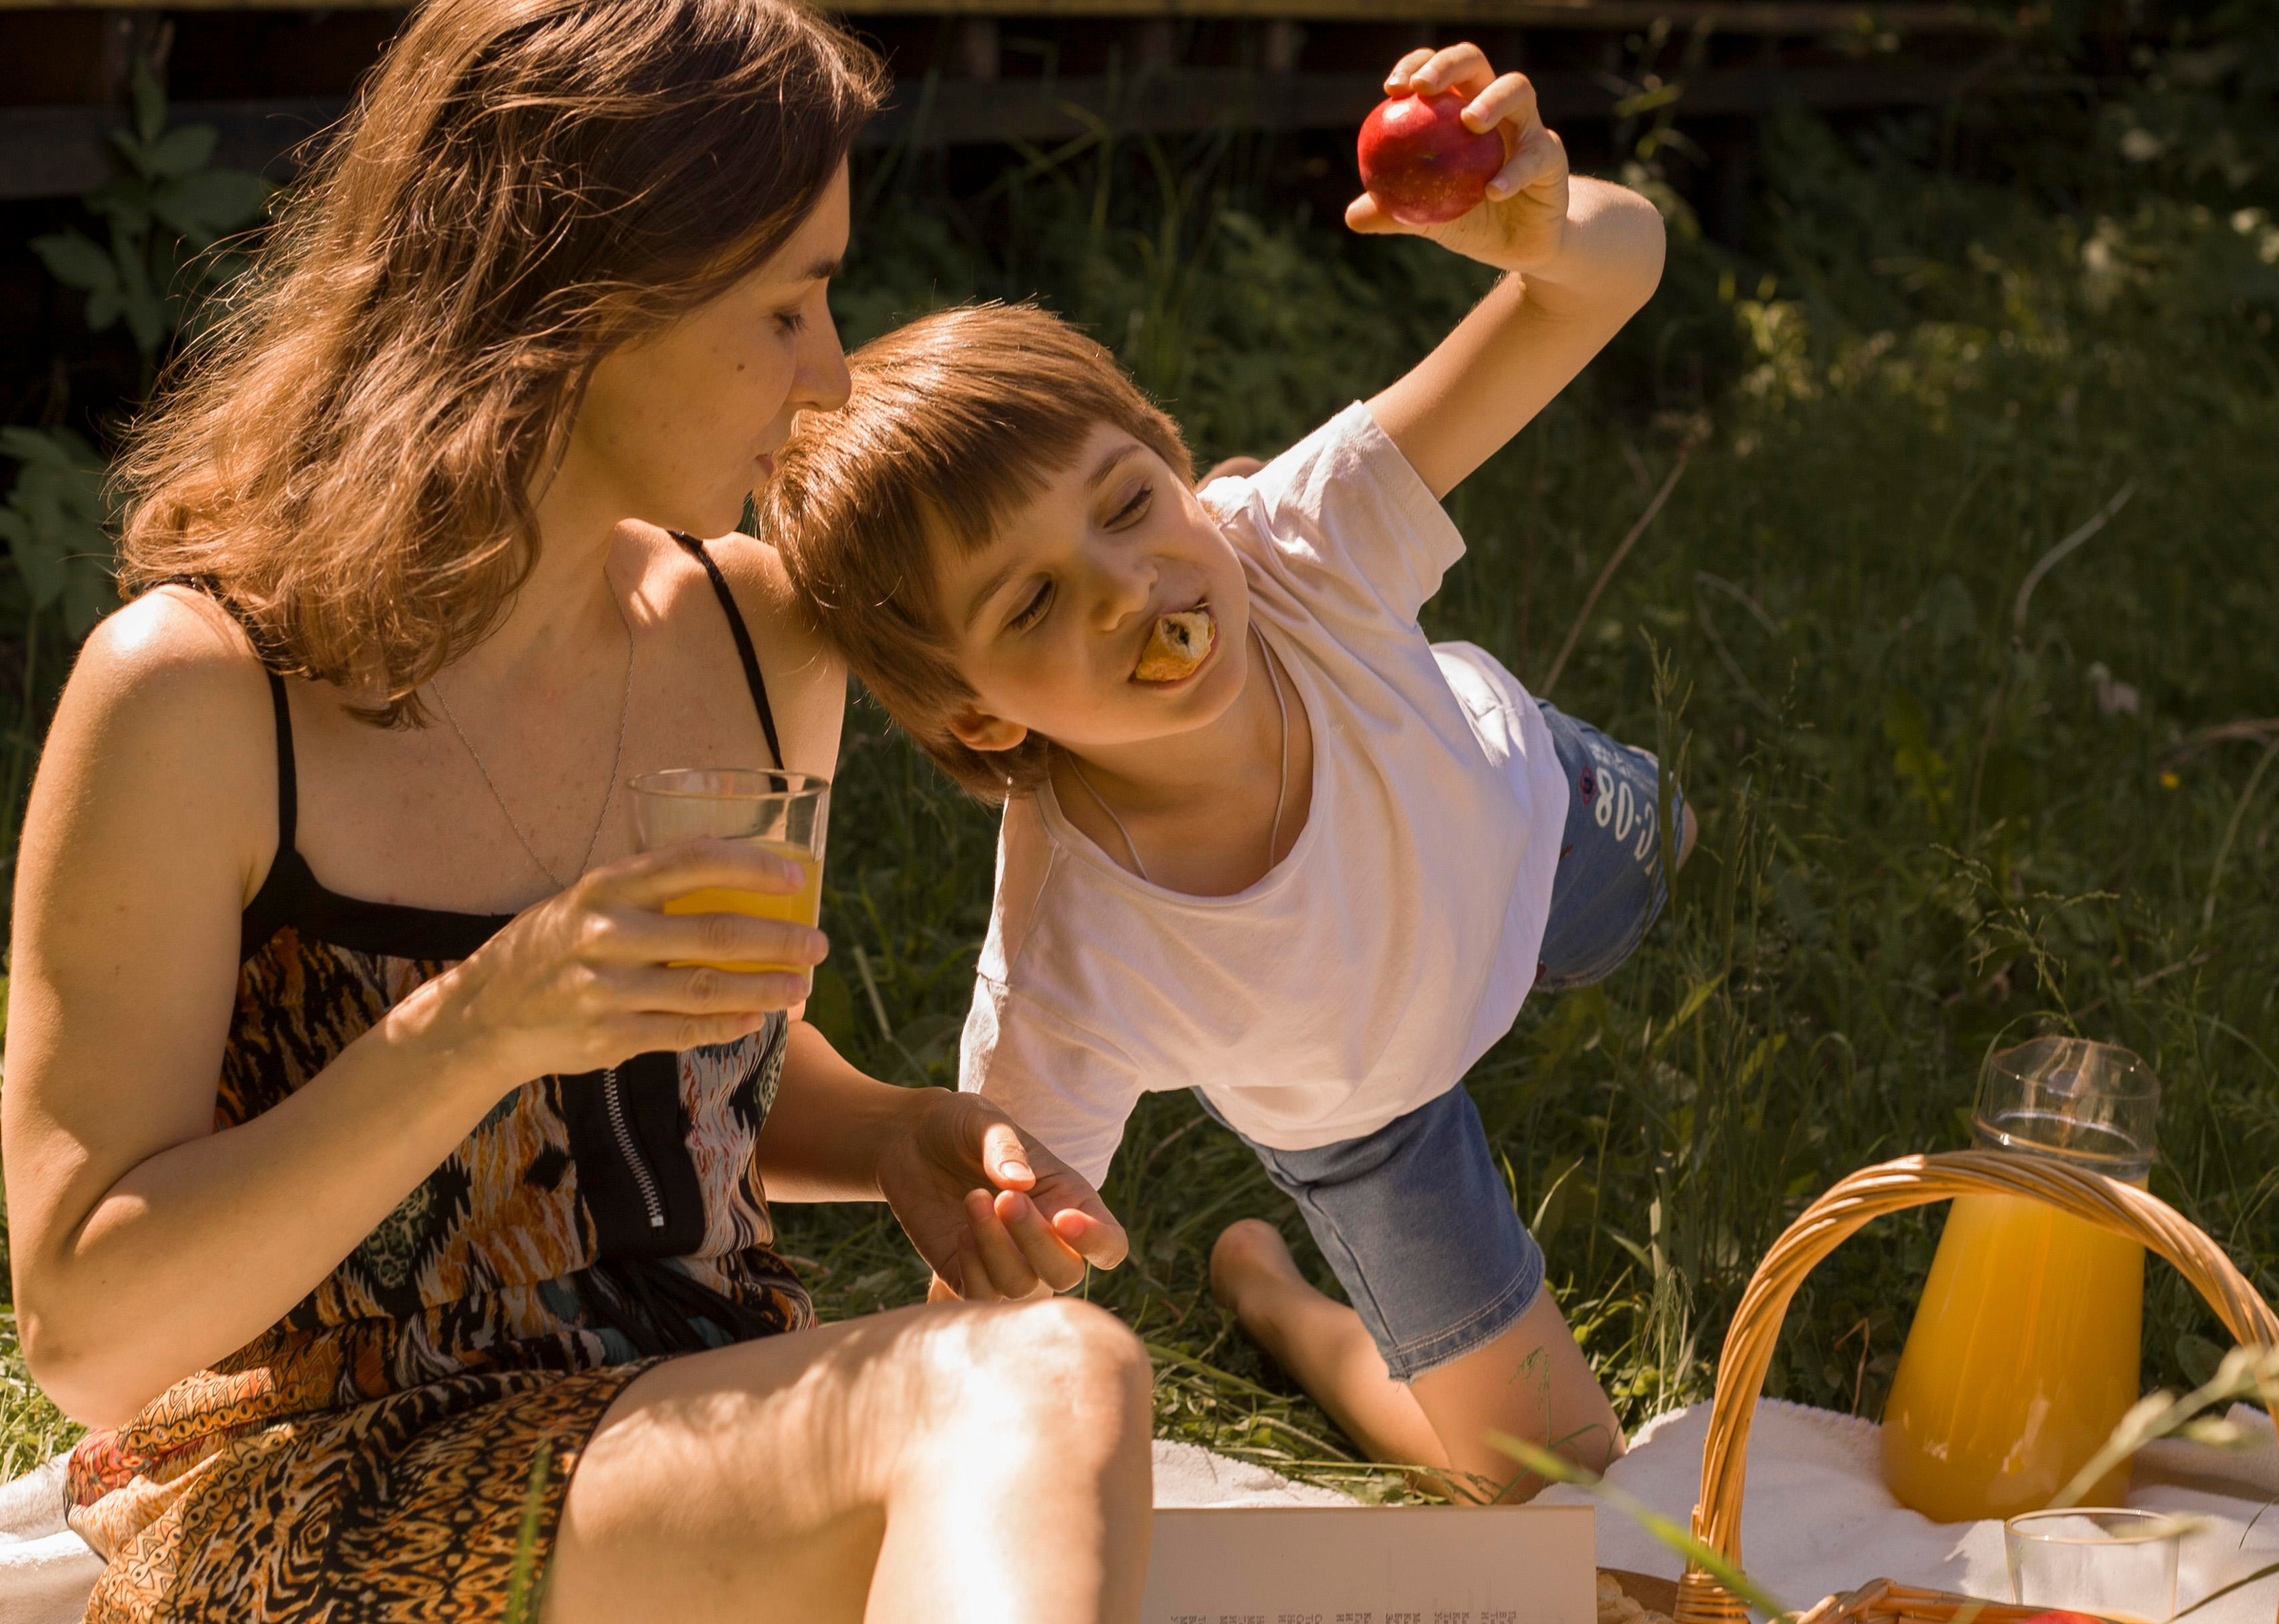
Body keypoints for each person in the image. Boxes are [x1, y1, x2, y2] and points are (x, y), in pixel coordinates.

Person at [0, 2, 1150, 1618]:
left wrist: (890, 1129)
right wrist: (476, 1027)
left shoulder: (761, 636)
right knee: (1030, 1385)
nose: (827, 372)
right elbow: (87, 1327)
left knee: (1034, 1378)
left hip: (692, 1416)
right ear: (584, 305)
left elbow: (675, 1064)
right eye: (787, 303)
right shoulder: (199, 697)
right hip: (327, 1471)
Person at [762, 45, 1690, 1503]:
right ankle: (1287, 1309)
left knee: (1663, 861)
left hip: (1531, 831)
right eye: (1032, 606)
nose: (1130, 588)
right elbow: (1000, 1268)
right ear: (985, 719)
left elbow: (1616, 277)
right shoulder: (1071, 956)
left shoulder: (1301, 540)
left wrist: (1538, 229)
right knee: (1551, 1491)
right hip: (1365, 1115)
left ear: (1179, 463)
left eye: (1131, 504)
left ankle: (1611, 819)